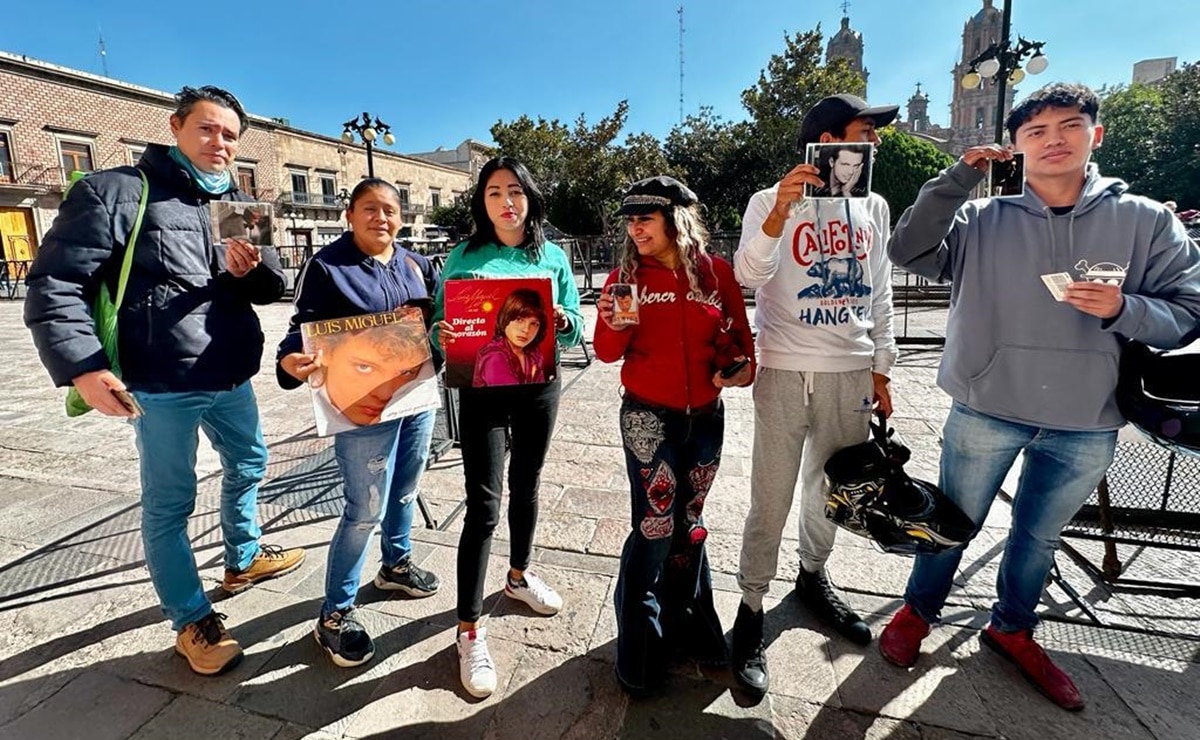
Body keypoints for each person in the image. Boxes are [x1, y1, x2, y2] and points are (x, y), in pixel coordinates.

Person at [882, 83, 1200, 711]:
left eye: (1069, 125)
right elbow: (908, 251)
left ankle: (1013, 628)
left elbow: (1189, 310)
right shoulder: (980, 220)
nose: (1053, 139)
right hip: (985, 408)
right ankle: (918, 613)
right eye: (1036, 130)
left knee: (1039, 536)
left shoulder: (1143, 221)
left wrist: (1126, 308)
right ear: (1017, 146)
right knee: (949, 524)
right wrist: (954, 180)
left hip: (1086, 420)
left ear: (1095, 135)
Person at [24, 85, 306, 676]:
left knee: (250, 464)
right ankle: (191, 619)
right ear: (176, 126)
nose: (219, 143)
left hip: (230, 373)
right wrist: (84, 365)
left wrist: (253, 272)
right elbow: (56, 283)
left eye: (230, 135)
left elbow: (273, 287)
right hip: (161, 383)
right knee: (170, 503)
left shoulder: (239, 202)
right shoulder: (116, 192)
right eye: (207, 129)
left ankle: (243, 556)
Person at [730, 93, 899, 696]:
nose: (874, 143)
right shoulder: (765, 201)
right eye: (864, 132)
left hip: (849, 370)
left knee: (833, 490)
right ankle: (750, 609)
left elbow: (879, 290)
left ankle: (813, 577)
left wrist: (883, 366)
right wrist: (779, 212)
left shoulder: (874, 205)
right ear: (829, 143)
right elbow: (748, 275)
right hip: (783, 368)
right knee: (769, 494)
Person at [594, 175, 755, 697]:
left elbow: (745, 352)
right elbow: (606, 353)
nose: (635, 228)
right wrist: (612, 318)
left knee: (689, 519)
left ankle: (689, 622)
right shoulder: (627, 277)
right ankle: (639, 643)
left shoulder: (715, 272)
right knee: (656, 523)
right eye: (631, 219)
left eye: (646, 218)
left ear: (675, 219)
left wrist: (734, 369)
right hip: (647, 417)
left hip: (705, 417)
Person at [432, 156, 584, 698]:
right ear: (483, 201)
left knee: (529, 485)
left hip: (540, 387)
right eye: (494, 192)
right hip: (482, 390)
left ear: (529, 197)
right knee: (484, 503)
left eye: (515, 190)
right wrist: (444, 334)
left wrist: (566, 321)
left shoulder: (552, 256)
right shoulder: (465, 256)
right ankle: (468, 628)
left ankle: (518, 576)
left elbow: (574, 320)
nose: (506, 201)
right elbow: (437, 322)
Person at [277, 178, 442, 668]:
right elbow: (298, 333)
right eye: (369, 208)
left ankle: (395, 564)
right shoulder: (327, 267)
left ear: (401, 216)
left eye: (390, 210)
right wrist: (291, 362)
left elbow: (435, 323)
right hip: (361, 407)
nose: (381, 218)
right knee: (363, 508)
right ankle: (335, 614)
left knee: (406, 490)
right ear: (350, 214)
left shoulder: (417, 264)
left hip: (415, 397)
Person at [305, 309, 433, 431]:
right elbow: (307, 315)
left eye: (406, 372)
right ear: (326, 351)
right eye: (364, 367)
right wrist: (289, 353)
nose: (384, 395)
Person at [472, 287, 549, 386]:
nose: (526, 330)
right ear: (506, 318)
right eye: (519, 320)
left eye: (534, 324)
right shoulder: (494, 356)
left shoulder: (533, 354)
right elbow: (510, 396)